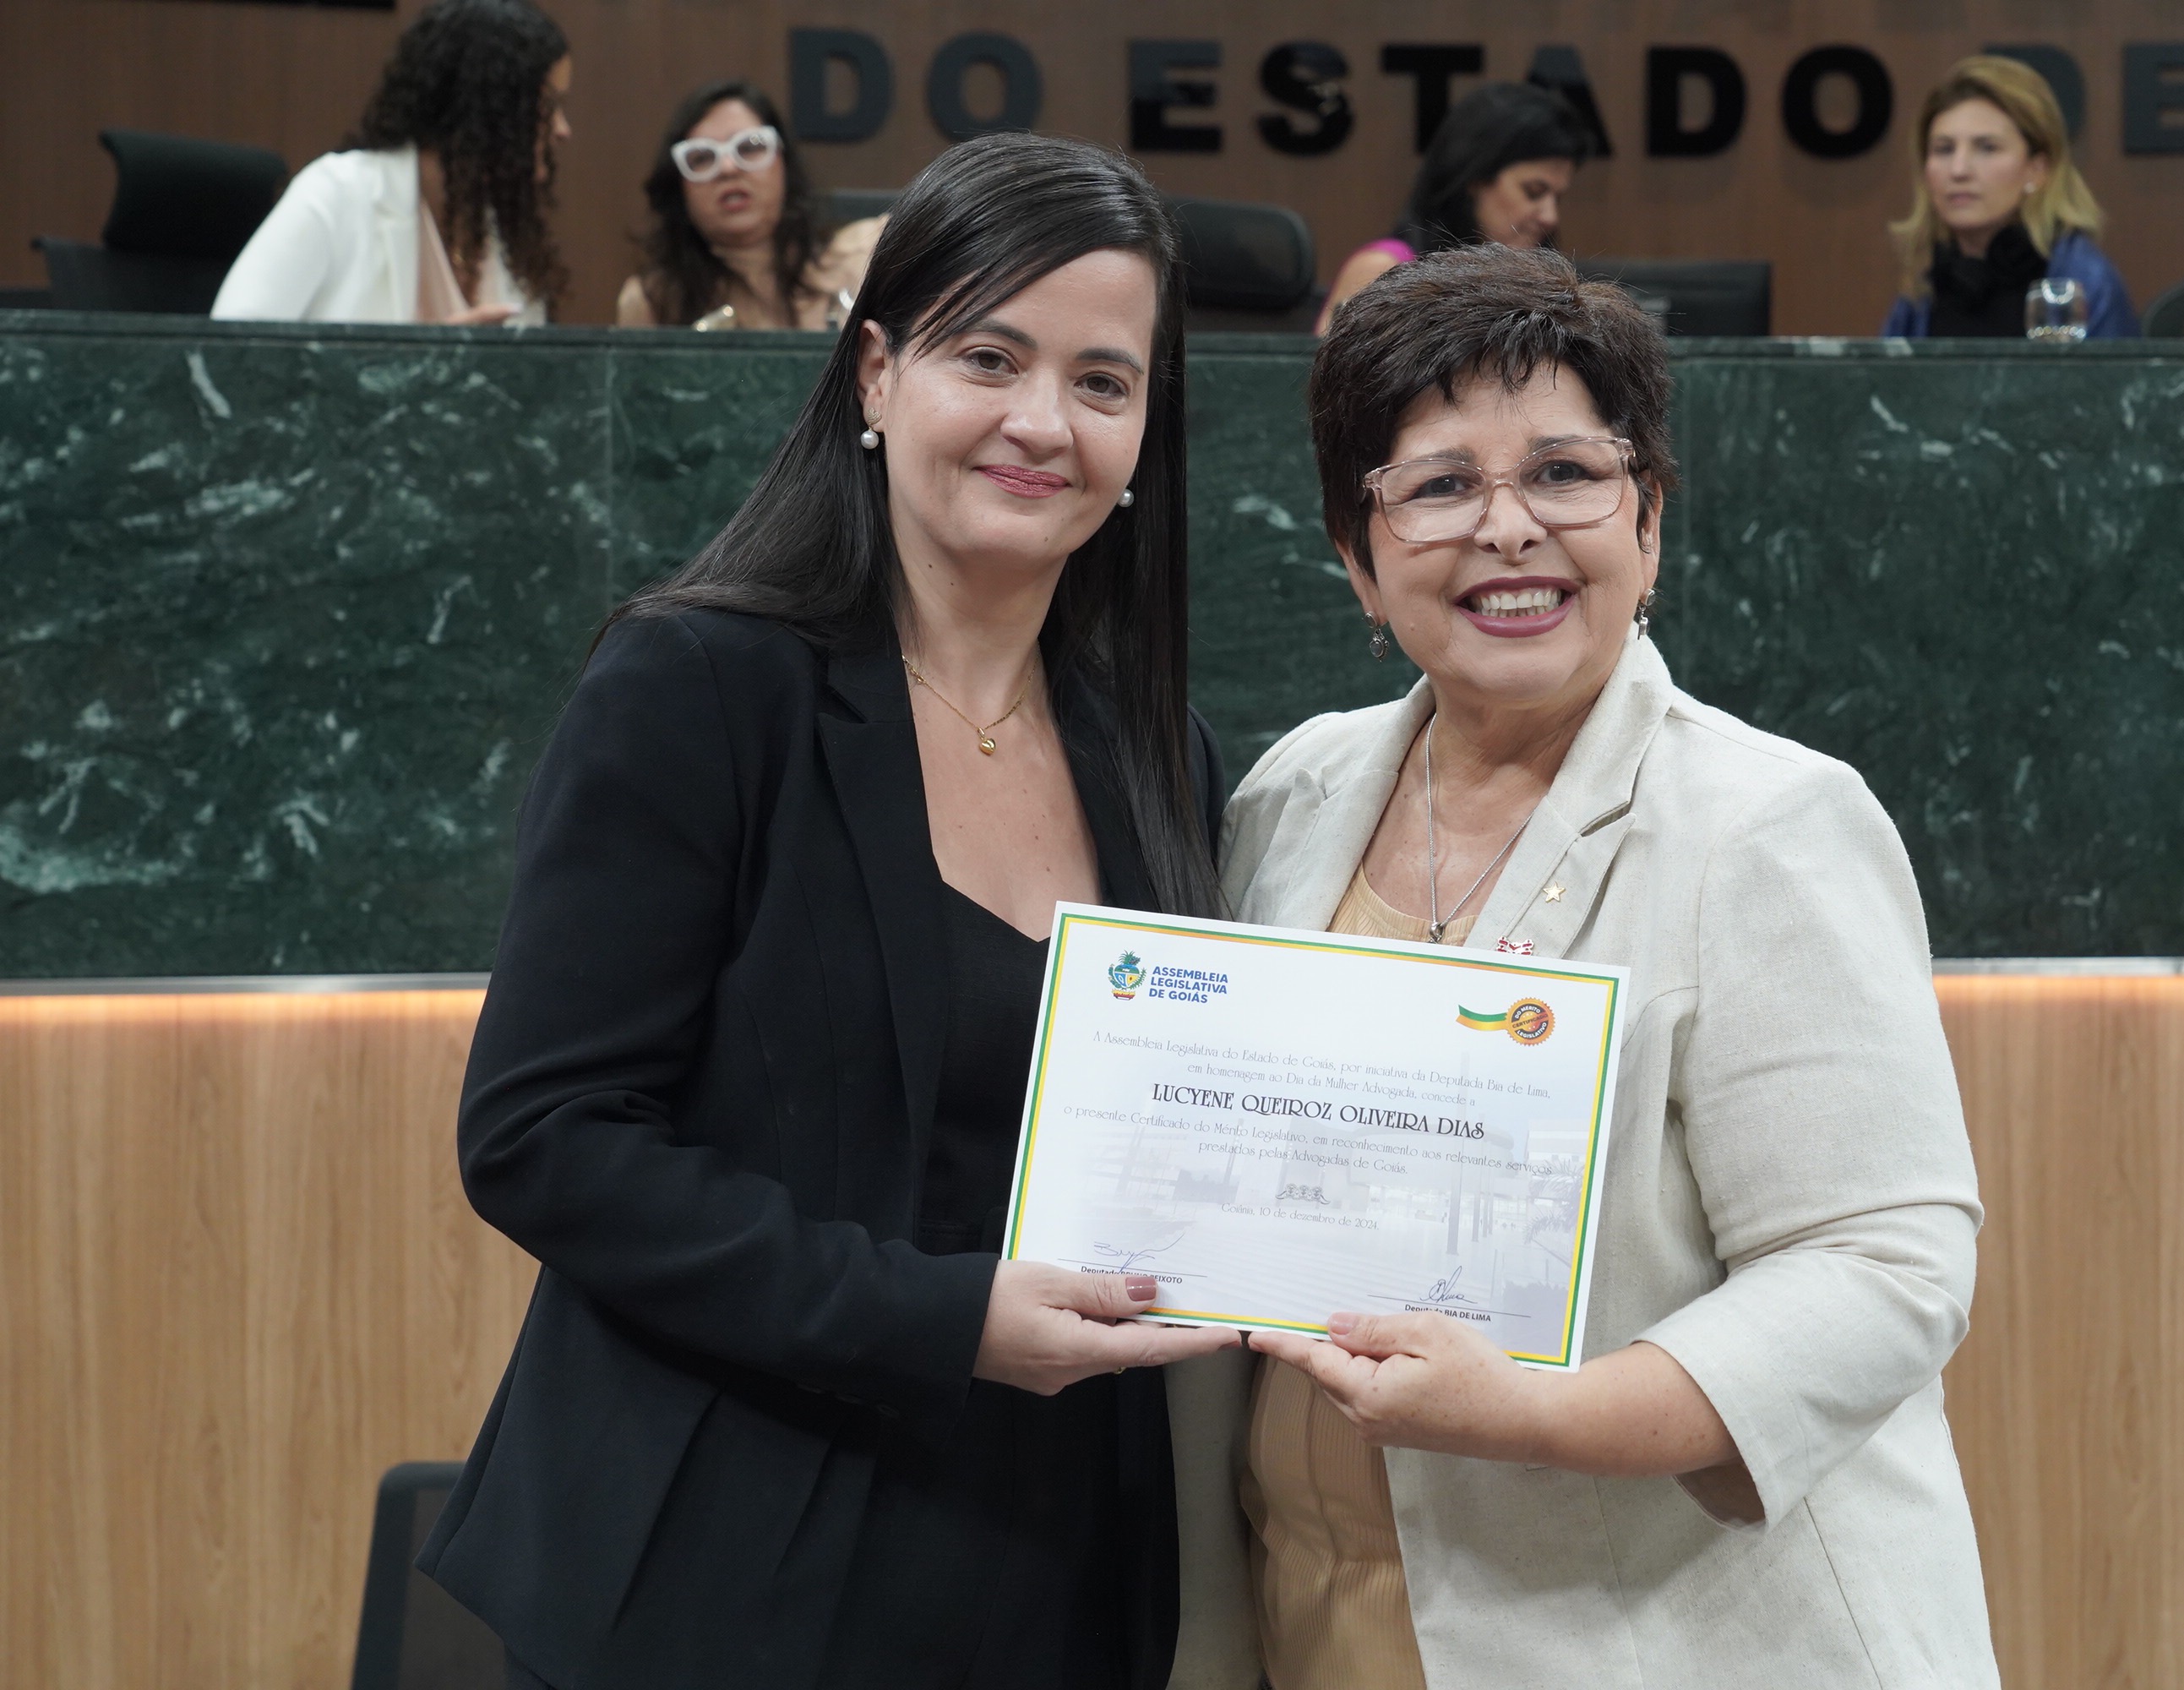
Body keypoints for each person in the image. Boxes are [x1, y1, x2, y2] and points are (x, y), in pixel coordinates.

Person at [414, 132, 1240, 1690]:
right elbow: (545, 1137)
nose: (1042, 421)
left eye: (1102, 380)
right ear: (874, 372)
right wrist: (941, 1319)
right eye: (987, 356)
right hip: (721, 1572)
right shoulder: (699, 684)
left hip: (1056, 1570)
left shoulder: (1160, 757)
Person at [1170, 246, 1996, 1689]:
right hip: (1319, 1616)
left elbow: (1883, 1270)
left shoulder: (1767, 823)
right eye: (1438, 487)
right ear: (1357, 558)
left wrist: (1535, 1412)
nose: (1509, 530)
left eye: (1564, 473)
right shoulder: (1293, 793)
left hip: (1663, 1639)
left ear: (1648, 522)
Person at [212, 0, 569, 325]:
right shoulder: (336, 194)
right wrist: (423, 366)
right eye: (548, 107)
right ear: (487, 109)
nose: (562, 130)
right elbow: (229, 356)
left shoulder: (506, 232)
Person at [1880, 55, 2137, 339]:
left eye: (1987, 148)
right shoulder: (1922, 291)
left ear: (2037, 170)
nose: (1958, 170)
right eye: (1944, 149)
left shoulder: (2084, 281)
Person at [1313, 82, 1593, 335]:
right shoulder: (1382, 270)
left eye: (1557, 198)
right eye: (1533, 192)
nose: (1550, 217)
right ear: (1474, 179)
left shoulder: (1546, 285)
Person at [616, 80, 887, 330]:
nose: (728, 168)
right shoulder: (653, 300)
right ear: (678, 186)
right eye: (702, 158)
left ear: (783, 162)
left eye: (749, 148)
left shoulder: (863, 256)